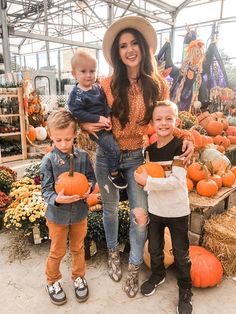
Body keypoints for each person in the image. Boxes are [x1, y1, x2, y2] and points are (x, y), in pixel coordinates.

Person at [80, 16, 194, 298]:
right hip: (107, 157)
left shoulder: (158, 85)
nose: (129, 49)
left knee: (140, 215)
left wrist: (187, 138)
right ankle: (112, 254)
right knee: (108, 210)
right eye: (122, 46)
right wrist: (84, 124)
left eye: (134, 44)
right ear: (117, 53)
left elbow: (167, 119)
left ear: (143, 48)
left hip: (137, 158)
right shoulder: (105, 85)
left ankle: (133, 268)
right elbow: (85, 116)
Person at [134, 100, 193, 314]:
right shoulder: (149, 150)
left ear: (176, 121)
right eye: (158, 119)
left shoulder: (180, 147)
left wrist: (146, 183)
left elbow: (177, 182)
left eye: (169, 118)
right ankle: (157, 275)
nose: (164, 123)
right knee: (155, 249)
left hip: (177, 210)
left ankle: (186, 288)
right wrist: (142, 179)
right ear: (152, 123)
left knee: (180, 253)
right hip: (156, 210)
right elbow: (149, 175)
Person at [40, 110, 96, 305]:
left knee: (78, 248)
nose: (63, 144)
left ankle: (78, 277)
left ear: (75, 135)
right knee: (57, 250)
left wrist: (89, 186)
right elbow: (46, 190)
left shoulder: (82, 157)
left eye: (67, 139)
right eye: (58, 140)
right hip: (57, 215)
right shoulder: (48, 161)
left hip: (79, 213)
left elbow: (90, 177)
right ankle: (52, 281)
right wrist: (57, 199)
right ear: (51, 137)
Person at [68, 50, 127, 190]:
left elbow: (105, 103)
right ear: (74, 73)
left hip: (105, 122)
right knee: (113, 148)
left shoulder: (97, 88)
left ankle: (115, 164)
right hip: (96, 129)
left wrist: (107, 116)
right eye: (83, 71)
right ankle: (113, 173)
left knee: (115, 146)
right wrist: (98, 119)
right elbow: (77, 112)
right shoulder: (77, 95)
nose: (89, 75)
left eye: (92, 71)